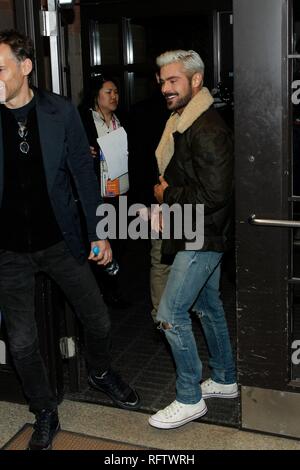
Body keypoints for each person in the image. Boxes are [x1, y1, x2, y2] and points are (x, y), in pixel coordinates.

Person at [0, 29, 140, 451]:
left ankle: (99, 371)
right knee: (21, 341)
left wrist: (100, 232)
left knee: (97, 319)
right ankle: (44, 409)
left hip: (61, 241)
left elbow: (83, 175)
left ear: (25, 68)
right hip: (9, 252)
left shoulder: (60, 113)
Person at [148, 50, 237, 429]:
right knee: (207, 306)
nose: (165, 87)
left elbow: (216, 193)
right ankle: (225, 377)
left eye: (173, 81)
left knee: (170, 315)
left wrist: (167, 195)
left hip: (203, 234)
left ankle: (189, 398)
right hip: (194, 229)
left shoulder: (207, 128)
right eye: (162, 80)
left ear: (196, 81)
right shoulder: (184, 120)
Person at [79, 77, 130, 308]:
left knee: (118, 242)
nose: (114, 96)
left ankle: (114, 289)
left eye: (116, 92)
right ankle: (98, 292)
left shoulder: (121, 121)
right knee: (99, 243)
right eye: (109, 92)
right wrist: (82, 152)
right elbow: (71, 150)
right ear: (96, 95)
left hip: (119, 192)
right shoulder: (85, 120)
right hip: (97, 195)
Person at [127, 88, 170, 324]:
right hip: (157, 195)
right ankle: (163, 318)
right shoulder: (142, 111)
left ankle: (165, 317)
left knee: (167, 260)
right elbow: (139, 159)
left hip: (174, 196)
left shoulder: (189, 112)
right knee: (161, 258)